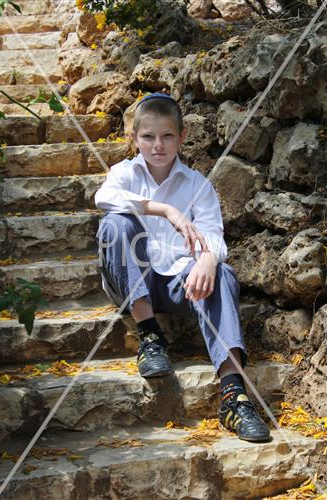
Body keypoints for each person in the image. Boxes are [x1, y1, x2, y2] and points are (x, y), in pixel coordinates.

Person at [95, 92, 270, 442]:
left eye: (167, 136)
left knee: (223, 272)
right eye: (148, 137)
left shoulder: (197, 185)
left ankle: (234, 395)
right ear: (135, 139)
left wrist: (207, 257)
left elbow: (214, 236)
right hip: (131, 280)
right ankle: (150, 337)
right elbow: (103, 198)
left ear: (181, 137)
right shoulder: (124, 173)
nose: (157, 145)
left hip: (180, 283)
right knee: (116, 224)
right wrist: (165, 210)